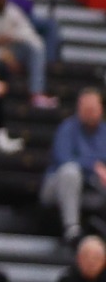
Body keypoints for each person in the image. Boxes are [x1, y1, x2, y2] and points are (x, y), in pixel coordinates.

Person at [44, 90, 106, 245]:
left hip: (92, 187)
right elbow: (63, 158)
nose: (90, 113)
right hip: (57, 186)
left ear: (101, 110)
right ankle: (72, 230)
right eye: (86, 109)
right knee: (70, 171)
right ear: (79, 109)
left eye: (93, 109)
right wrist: (93, 165)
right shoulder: (67, 128)